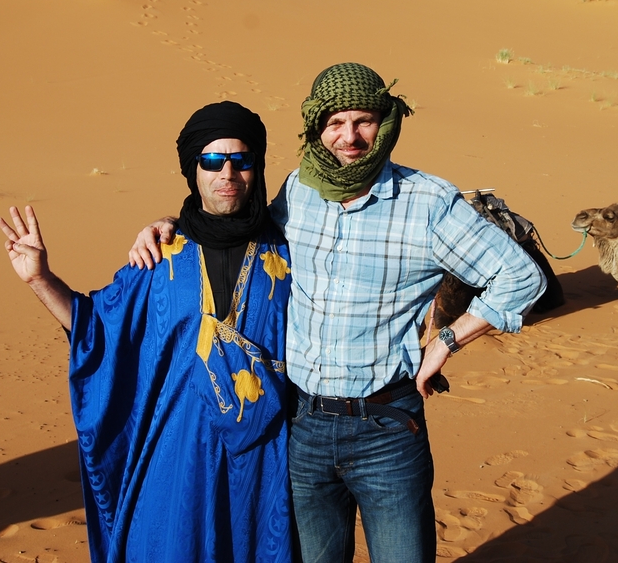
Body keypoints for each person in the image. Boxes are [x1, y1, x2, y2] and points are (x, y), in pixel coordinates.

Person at [131, 63, 546, 563]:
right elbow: (238, 224)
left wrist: (446, 342)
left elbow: (521, 277)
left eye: (364, 120)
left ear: (387, 122)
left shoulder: (428, 202)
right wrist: (169, 223)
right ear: (315, 128)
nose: (349, 137)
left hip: (387, 429)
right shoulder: (299, 192)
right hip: (302, 427)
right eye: (334, 123)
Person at [0, 102, 295, 563]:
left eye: (242, 160)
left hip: (265, 462)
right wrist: (40, 278)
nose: (227, 173)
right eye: (212, 161)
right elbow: (95, 329)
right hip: (175, 462)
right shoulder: (158, 258)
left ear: (258, 166)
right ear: (193, 170)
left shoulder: (295, 253)